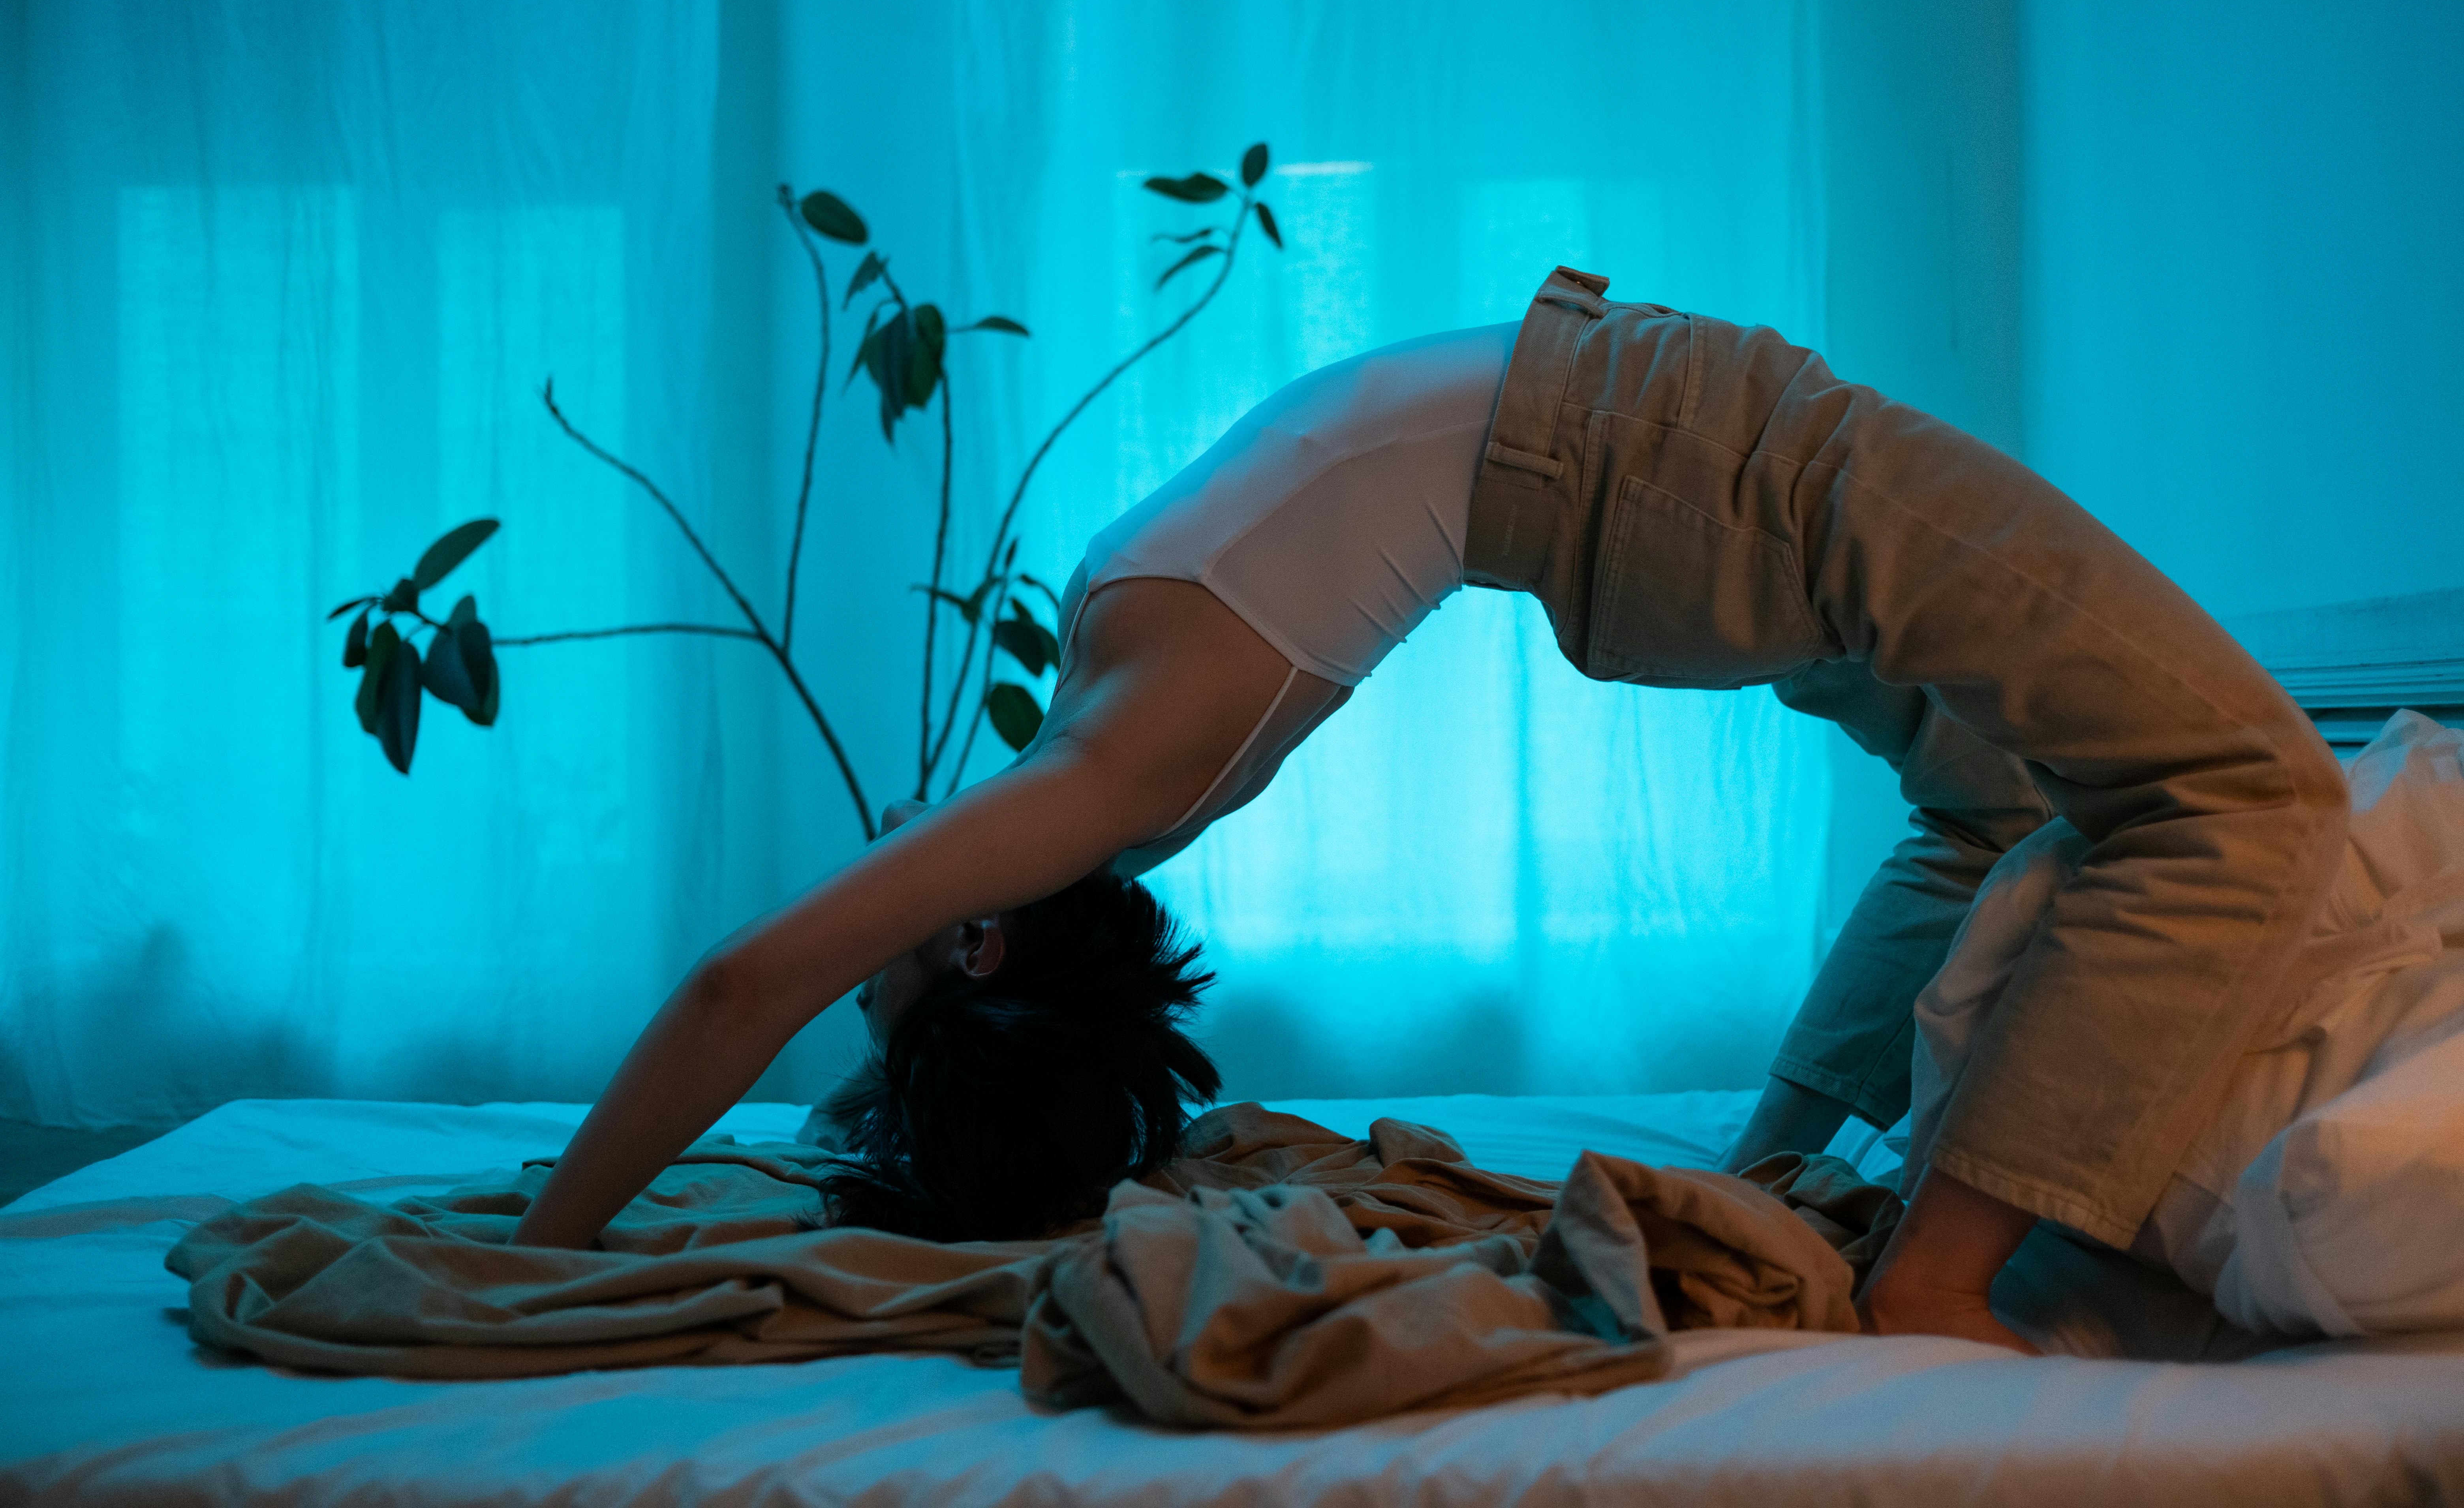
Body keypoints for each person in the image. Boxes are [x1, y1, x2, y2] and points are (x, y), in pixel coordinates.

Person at [514, 267, 2347, 1352]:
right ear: (978, 926)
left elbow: (880, 1031)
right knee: (2244, 780)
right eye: (889, 973)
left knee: (1987, 802)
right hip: (1694, 462)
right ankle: (1937, 1281)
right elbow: (738, 987)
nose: (868, 929)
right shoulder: (1107, 775)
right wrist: (545, 1253)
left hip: (1655, 462)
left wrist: (879, 1104)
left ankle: (1786, 1161)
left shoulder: (1104, 761)